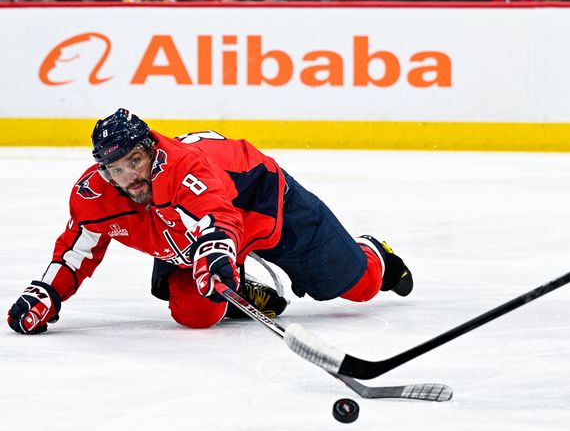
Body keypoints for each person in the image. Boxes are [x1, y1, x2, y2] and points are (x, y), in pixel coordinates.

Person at [6, 109, 414, 335]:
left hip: (262, 202)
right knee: (196, 313)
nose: (131, 177)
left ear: (151, 150)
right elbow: (77, 251)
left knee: (357, 287)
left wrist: (217, 249)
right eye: (117, 169)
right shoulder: (93, 196)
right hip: (188, 235)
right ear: (103, 172)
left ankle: (374, 252)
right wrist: (48, 292)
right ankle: (238, 281)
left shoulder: (184, 168)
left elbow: (217, 213)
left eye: (136, 161)